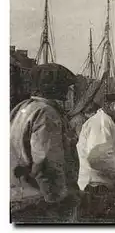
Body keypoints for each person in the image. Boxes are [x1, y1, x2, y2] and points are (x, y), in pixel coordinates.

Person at [10, 63, 80, 223]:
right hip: (39, 203)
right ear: (56, 88)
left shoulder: (22, 109)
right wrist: (58, 200)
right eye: (66, 87)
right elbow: (47, 162)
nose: (68, 92)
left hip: (18, 198)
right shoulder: (47, 113)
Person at [76, 88, 115, 220]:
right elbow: (98, 157)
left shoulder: (112, 122)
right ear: (109, 105)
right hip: (95, 188)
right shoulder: (101, 123)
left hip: (103, 187)